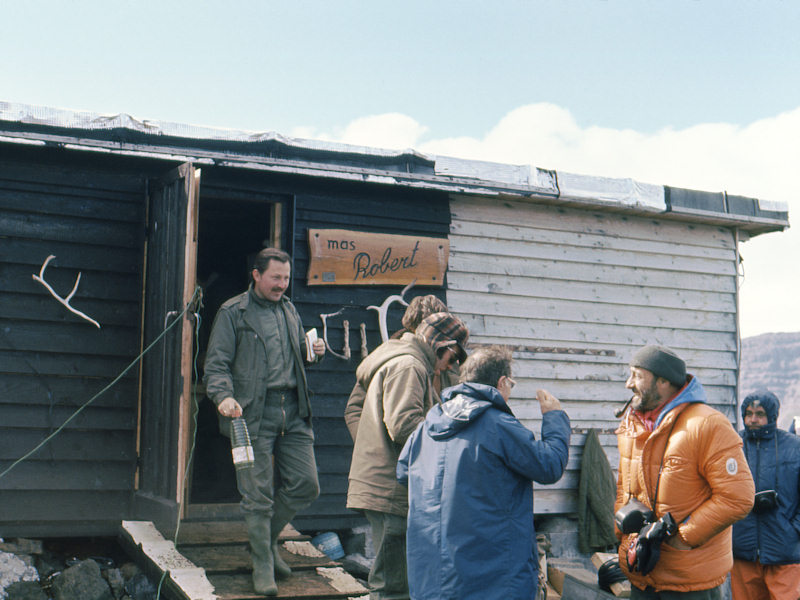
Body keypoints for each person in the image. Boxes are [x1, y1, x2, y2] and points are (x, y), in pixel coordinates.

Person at [397, 345, 570, 600]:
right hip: (491, 576)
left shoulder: (426, 426)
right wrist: (555, 418)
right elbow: (549, 466)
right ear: (501, 382)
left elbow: (403, 473)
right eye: (511, 383)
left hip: (433, 576)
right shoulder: (498, 425)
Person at [203, 247, 326, 596]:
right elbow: (216, 365)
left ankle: (266, 542)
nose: (282, 285)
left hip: (293, 411)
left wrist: (311, 353)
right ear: (256, 275)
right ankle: (262, 563)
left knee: (307, 484)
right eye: (276, 278)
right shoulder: (233, 312)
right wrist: (223, 396)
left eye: (286, 278)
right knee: (257, 496)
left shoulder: (289, 310)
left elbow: (296, 359)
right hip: (251, 413)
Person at [345, 311, 469, 600]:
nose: (447, 368)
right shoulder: (409, 366)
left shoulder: (407, 361)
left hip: (387, 483)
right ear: (442, 345)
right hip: (389, 487)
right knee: (392, 586)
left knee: (395, 581)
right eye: (452, 359)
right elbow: (403, 426)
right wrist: (445, 440)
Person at [615, 344, 754, 599]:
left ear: (663, 381)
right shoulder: (632, 424)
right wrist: (623, 537)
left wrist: (682, 538)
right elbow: (625, 486)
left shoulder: (708, 425)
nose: (628, 383)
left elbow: (737, 497)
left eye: (637, 375)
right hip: (642, 573)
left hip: (689, 582)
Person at [731, 390, 800, 599]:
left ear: (772, 417)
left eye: (760, 414)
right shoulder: (732, 445)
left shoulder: (794, 447)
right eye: (749, 414)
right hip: (743, 550)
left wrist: (794, 528)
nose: (753, 419)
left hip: (785, 552)